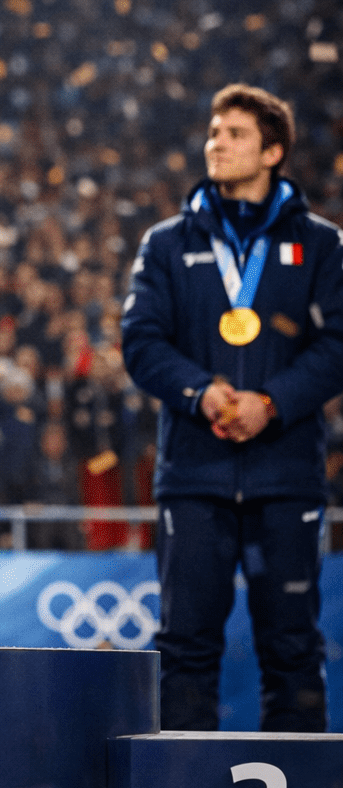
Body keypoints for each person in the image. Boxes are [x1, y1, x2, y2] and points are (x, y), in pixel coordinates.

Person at [121, 84, 343, 730]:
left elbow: (338, 343)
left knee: (293, 651)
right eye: (214, 132)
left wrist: (272, 402)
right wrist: (202, 393)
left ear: (273, 151)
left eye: (235, 134)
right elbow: (140, 341)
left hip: (285, 478)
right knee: (185, 648)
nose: (216, 143)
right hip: (195, 477)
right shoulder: (167, 243)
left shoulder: (322, 246)